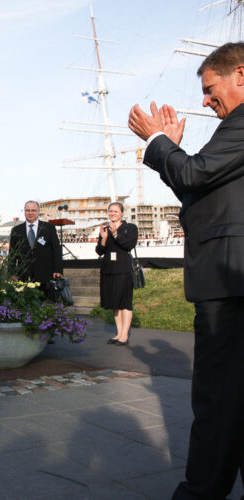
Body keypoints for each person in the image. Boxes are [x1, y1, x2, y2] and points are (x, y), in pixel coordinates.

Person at [127, 42, 244, 499]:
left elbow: (195, 175)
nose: (205, 100)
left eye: (211, 88)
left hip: (228, 279)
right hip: (230, 276)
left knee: (217, 399)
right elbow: (201, 193)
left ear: (241, 74)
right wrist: (171, 155)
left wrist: (158, 143)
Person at [95, 202, 137, 346]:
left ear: (122, 213)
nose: (113, 213)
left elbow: (128, 245)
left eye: (116, 211)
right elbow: (99, 251)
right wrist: (104, 239)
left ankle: (125, 335)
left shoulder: (130, 228)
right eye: (110, 211)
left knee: (125, 302)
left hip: (123, 269)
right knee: (114, 303)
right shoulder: (104, 229)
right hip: (108, 270)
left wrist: (115, 233)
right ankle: (118, 333)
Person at [8, 200, 63, 290]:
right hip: (24, 276)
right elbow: (12, 254)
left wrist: (58, 270)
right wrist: (12, 273)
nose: (30, 213)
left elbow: (56, 250)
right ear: (24, 212)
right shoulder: (16, 230)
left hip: (46, 276)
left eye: (33, 210)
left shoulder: (49, 228)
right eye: (27, 210)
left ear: (38, 212)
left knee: (45, 303)